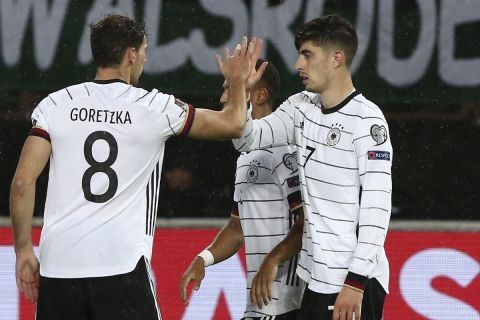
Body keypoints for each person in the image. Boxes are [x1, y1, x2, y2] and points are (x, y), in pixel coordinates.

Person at [9, 14, 266, 320]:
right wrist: (238, 85)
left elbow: (23, 182)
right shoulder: (153, 107)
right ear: (131, 54)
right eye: (144, 51)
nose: (144, 59)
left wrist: (24, 249)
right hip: (122, 266)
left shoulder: (56, 104)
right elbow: (235, 124)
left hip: (59, 268)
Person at [233, 14, 393, 320]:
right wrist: (242, 90)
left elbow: (376, 210)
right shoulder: (300, 107)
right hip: (314, 280)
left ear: (336, 58)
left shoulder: (368, 123)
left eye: (307, 55)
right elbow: (247, 140)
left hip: (352, 282)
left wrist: (355, 283)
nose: (298, 65)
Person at [179, 60, 304, 319]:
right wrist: (204, 258)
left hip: (285, 305)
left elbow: (306, 222)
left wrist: (271, 261)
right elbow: (237, 228)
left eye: (232, 89)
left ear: (259, 95)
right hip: (258, 303)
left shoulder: (283, 149)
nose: (224, 97)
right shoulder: (246, 154)